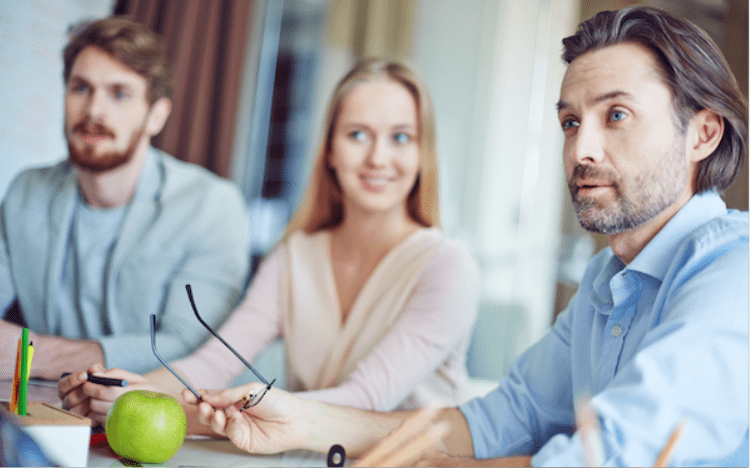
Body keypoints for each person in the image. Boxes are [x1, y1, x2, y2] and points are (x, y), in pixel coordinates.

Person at [180, 6, 748, 467]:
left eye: (616, 116)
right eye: (571, 122)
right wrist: (302, 420)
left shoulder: (735, 271)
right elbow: (502, 418)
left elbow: (614, 455)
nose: (582, 151)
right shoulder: (607, 281)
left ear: (702, 133)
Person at [59, 59, 480, 432]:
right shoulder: (294, 256)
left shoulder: (447, 268)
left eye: (401, 138)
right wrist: (130, 391)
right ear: (330, 149)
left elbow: (365, 399)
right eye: (357, 134)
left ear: (424, 153)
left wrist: (207, 411)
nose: (378, 158)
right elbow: (216, 362)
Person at [0, 17, 249, 380]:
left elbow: (191, 347)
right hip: (45, 412)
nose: (94, 111)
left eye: (119, 94)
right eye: (81, 88)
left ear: (156, 115)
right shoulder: (27, 192)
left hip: (158, 425)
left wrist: (37, 357)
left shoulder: (211, 206)